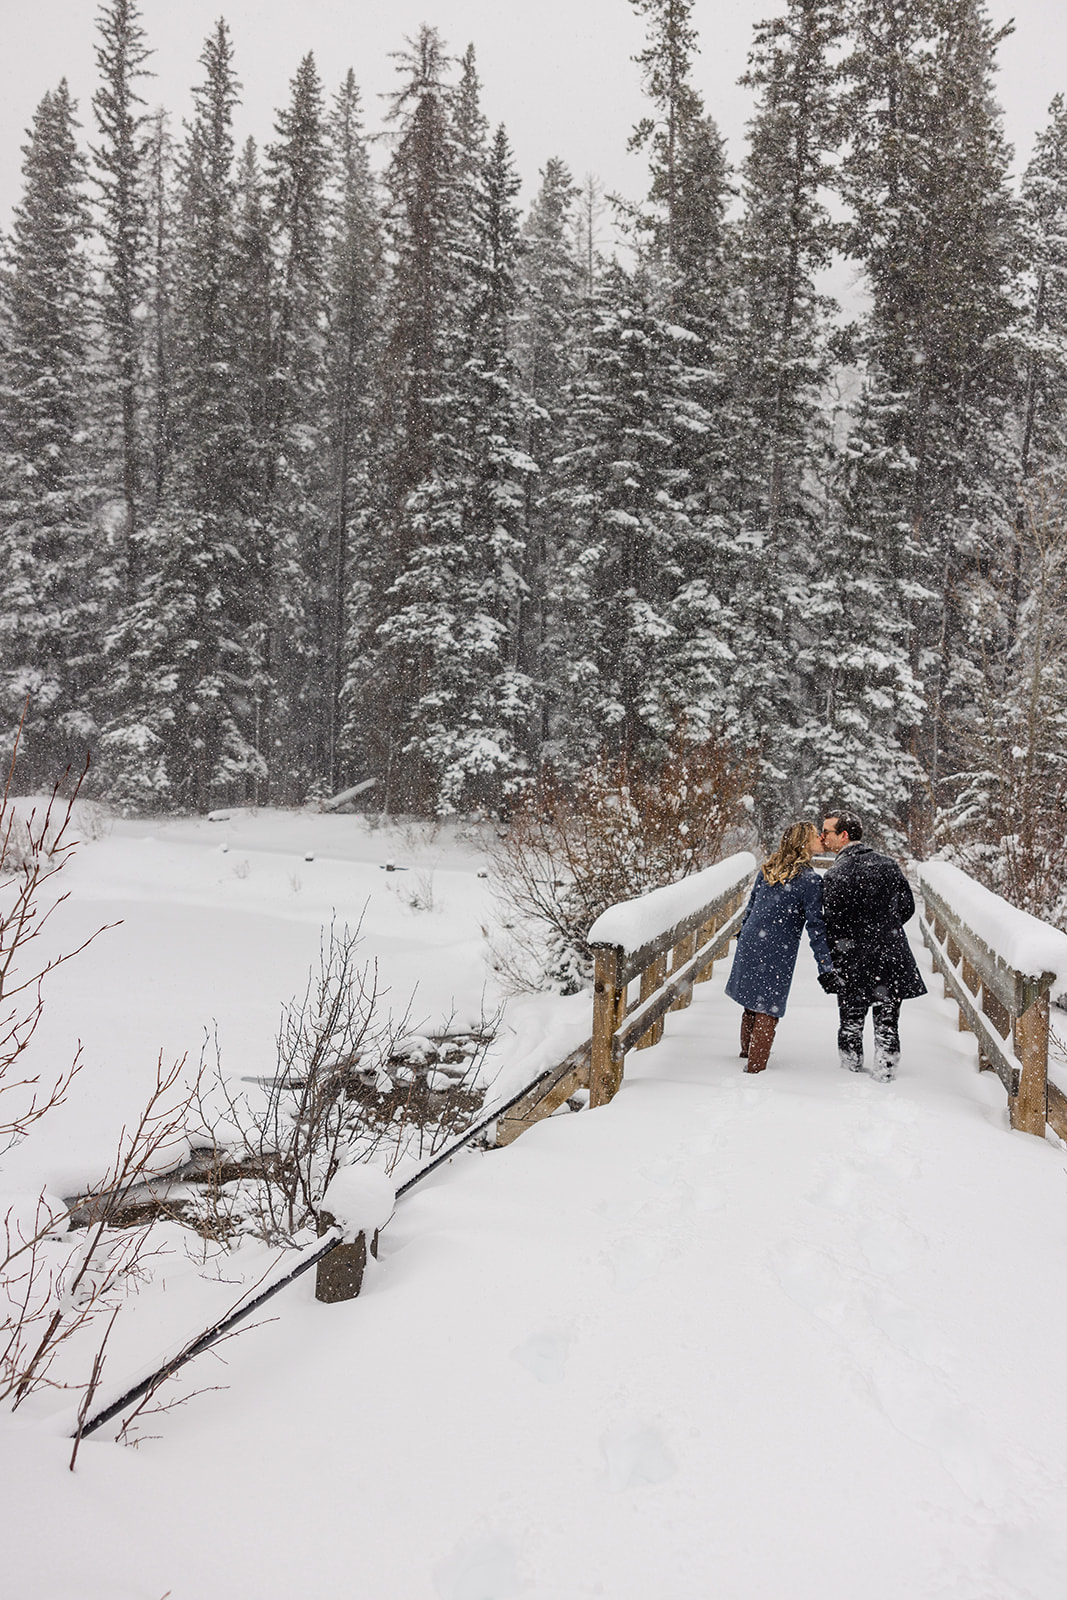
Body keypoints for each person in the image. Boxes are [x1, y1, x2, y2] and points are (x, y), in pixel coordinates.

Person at [820, 810, 927, 1081]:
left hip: (852, 958)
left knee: (851, 1023)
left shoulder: (835, 874)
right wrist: (884, 930)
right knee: (887, 1022)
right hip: (889, 954)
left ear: (844, 835)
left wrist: (838, 957)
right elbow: (907, 907)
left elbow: (832, 925)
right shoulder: (888, 865)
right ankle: (886, 1073)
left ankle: (850, 1074)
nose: (822, 837)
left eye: (827, 832)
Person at [725, 821, 837, 1073]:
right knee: (768, 1006)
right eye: (815, 836)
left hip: (752, 938)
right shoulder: (810, 880)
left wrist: (744, 935)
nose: (821, 838)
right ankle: (755, 1069)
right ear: (803, 843)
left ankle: (747, 1054)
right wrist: (825, 965)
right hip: (777, 947)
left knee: (752, 1001)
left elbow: (751, 907)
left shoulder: (769, 868)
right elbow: (815, 926)